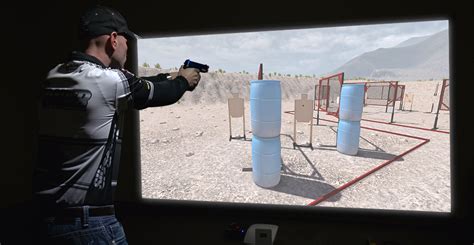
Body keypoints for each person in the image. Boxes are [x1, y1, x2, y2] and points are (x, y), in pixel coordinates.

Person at [32, 5, 201, 244]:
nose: (127, 47)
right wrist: (184, 81)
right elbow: (158, 94)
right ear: (113, 39)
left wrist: (170, 76)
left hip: (46, 221)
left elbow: (135, 84)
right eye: (126, 40)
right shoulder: (108, 81)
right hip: (89, 222)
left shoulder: (55, 76)